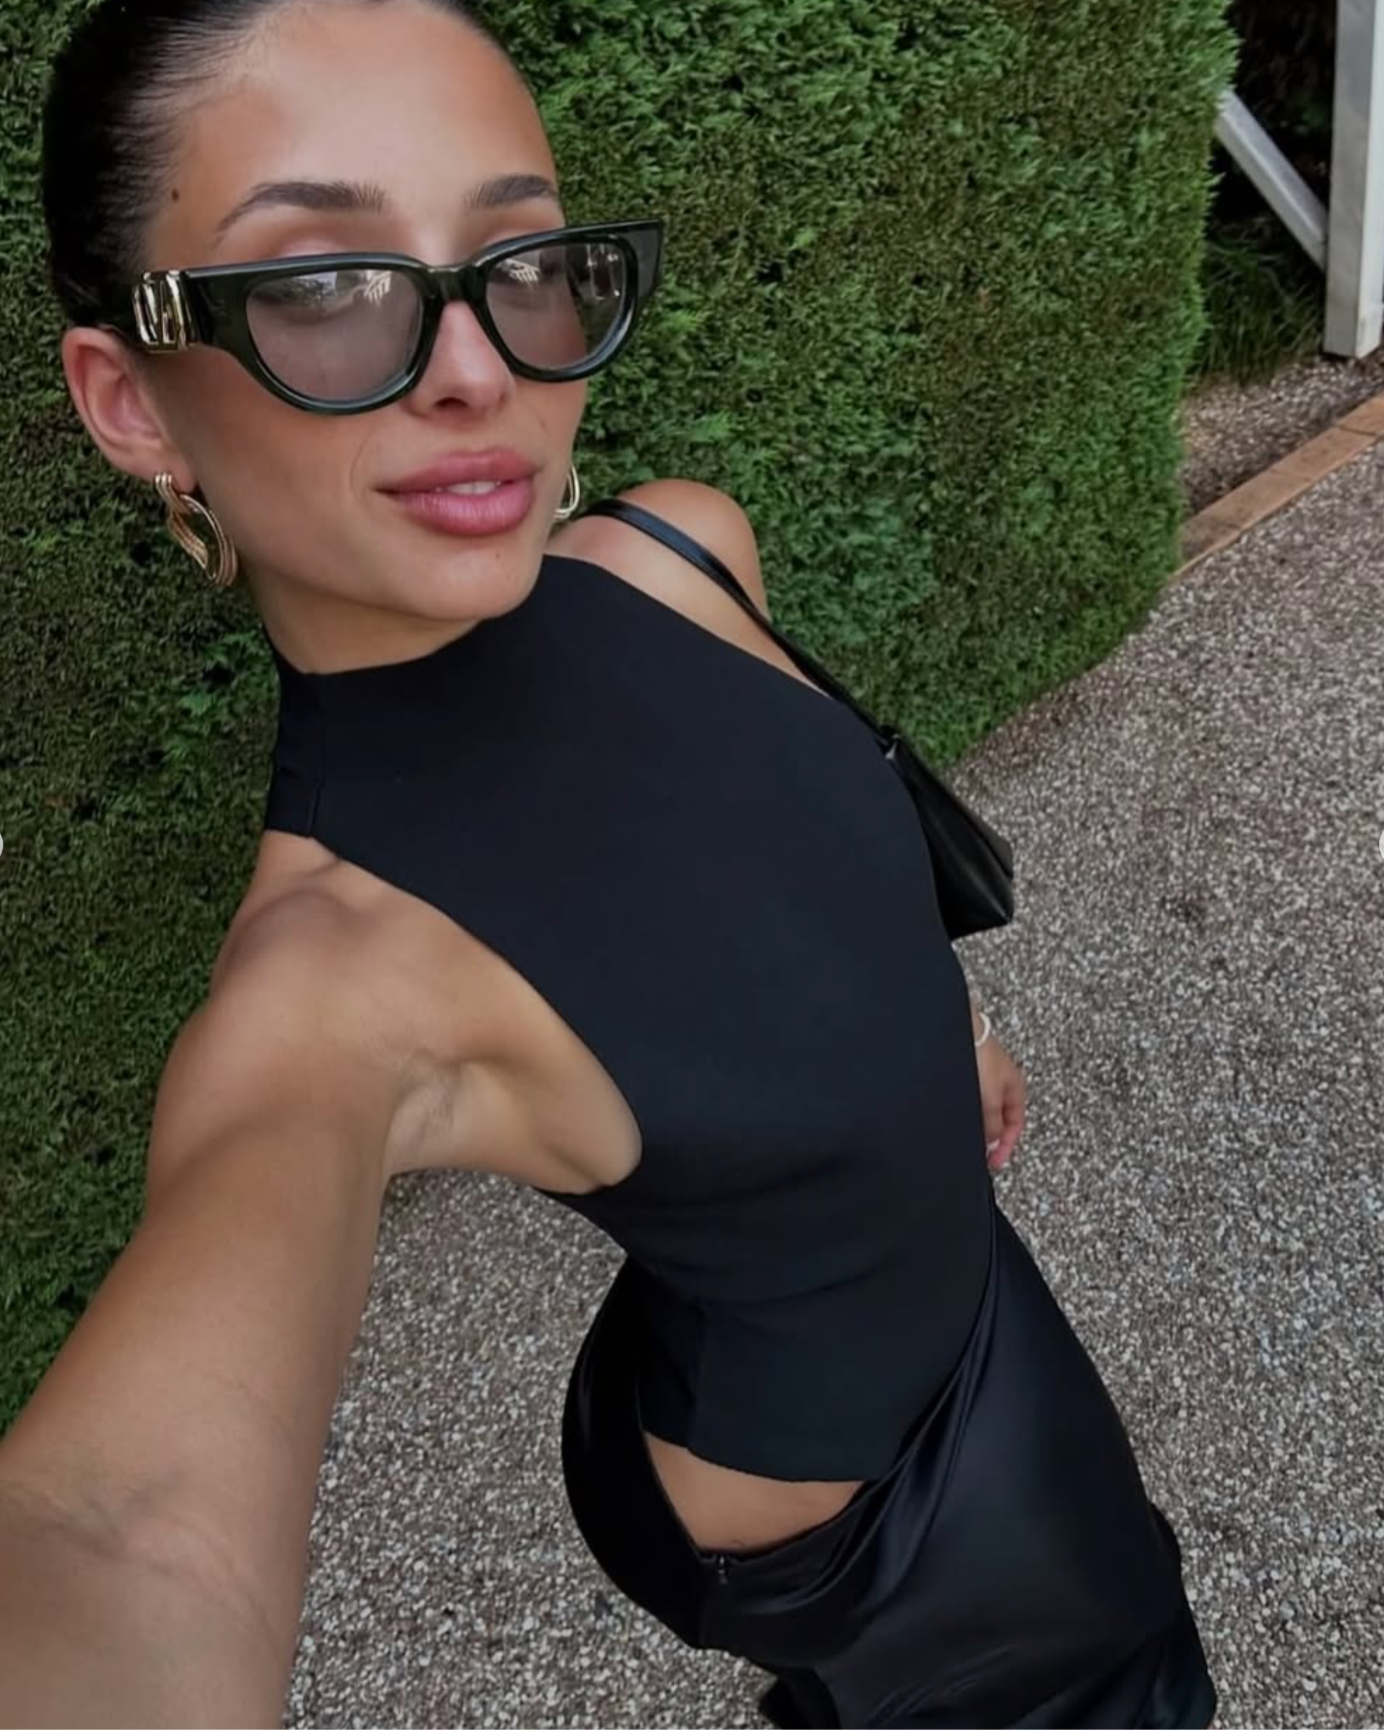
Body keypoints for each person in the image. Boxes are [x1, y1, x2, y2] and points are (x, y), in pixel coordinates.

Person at [0, 3, 1219, 1727]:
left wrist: (952, 1032)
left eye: (521, 262)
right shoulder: (335, 982)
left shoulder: (678, 551)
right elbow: (124, 1537)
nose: (477, 369)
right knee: (1126, 1664)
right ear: (131, 399)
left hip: (912, 1300)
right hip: (847, 1497)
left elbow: (821, 856)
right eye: (324, 286)